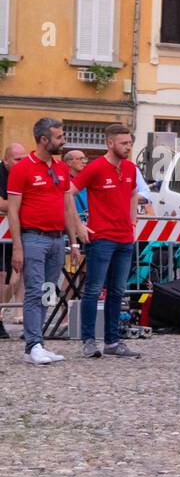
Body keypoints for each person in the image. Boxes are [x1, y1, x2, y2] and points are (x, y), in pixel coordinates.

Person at [6, 118, 86, 364]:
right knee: (34, 291)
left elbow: (67, 207)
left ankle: (38, 342)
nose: (63, 141)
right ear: (44, 140)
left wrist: (73, 242)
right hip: (33, 237)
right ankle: (33, 344)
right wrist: (17, 246)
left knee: (47, 292)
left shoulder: (61, 169)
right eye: (59, 137)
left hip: (55, 239)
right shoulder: (22, 169)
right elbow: (13, 210)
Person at [72, 124, 143, 358]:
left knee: (117, 291)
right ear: (110, 143)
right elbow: (68, 192)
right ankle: (88, 340)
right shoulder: (95, 168)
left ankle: (112, 341)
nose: (128, 147)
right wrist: (79, 225)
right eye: (124, 143)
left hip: (124, 238)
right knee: (93, 289)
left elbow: (133, 193)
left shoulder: (131, 168)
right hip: (101, 237)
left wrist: (132, 222)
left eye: (130, 143)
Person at [0, 141, 29, 338]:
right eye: (17, 159)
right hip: (3, 231)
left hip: (17, 229)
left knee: (20, 271)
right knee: (1, 275)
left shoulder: (26, 173)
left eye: (23, 158)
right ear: (6, 160)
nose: (22, 163)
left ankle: (18, 312)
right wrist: (20, 204)